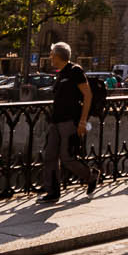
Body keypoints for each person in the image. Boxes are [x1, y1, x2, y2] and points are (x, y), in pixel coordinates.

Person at [39, 41, 99, 203]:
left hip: (70, 121)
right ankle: (52, 192)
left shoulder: (75, 71)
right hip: (55, 121)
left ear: (58, 56)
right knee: (49, 155)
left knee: (67, 157)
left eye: (51, 55)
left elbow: (88, 96)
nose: (50, 57)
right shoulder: (61, 72)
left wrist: (82, 122)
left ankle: (91, 175)